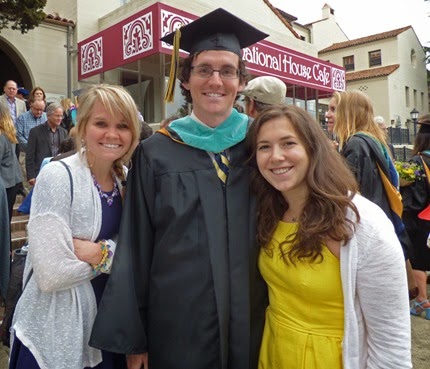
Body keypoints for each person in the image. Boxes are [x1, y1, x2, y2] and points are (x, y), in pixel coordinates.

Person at [90, 8, 269, 369]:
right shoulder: (156, 151)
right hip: (178, 325)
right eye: (204, 70)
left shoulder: (263, 145)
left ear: (241, 81)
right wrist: (135, 337)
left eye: (227, 71)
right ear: (185, 79)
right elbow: (137, 245)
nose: (215, 81)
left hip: (256, 317)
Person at [247, 104, 411, 368]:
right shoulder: (269, 212)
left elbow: (391, 343)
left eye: (288, 143)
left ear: (313, 148)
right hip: (274, 352)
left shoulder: (362, 223)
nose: (276, 157)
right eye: (264, 147)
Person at [9, 84, 141, 369]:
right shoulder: (58, 176)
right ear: (82, 127)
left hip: (109, 327)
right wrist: (114, 258)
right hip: (57, 331)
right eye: (101, 123)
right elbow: (52, 274)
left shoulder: (128, 180)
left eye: (122, 125)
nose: (112, 134)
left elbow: (139, 255)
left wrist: (100, 253)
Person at [332, 90, 411, 258]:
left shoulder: (356, 145)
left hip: (366, 235)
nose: (327, 114)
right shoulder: (372, 140)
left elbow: (354, 195)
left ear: (348, 112)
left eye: (333, 109)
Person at [401, 114, 430, 319]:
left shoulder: (417, 162)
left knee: (418, 259)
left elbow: (413, 200)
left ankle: (422, 300)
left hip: (420, 219)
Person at [25, 102, 68, 185]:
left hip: (59, 173)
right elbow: (30, 155)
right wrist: (31, 176)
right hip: (41, 172)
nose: (60, 118)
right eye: (57, 116)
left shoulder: (64, 132)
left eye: (61, 116)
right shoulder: (35, 132)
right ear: (48, 116)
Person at [15, 98, 47, 190]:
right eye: (37, 109)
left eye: (41, 110)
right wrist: (31, 147)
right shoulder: (22, 118)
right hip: (25, 153)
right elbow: (18, 135)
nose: (39, 112)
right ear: (31, 106)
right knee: (28, 183)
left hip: (41, 155)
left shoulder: (45, 117)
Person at [0, 104, 23, 221]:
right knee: (5, 221)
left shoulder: (1, 135)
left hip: (5, 183)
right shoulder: (8, 133)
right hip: (12, 181)